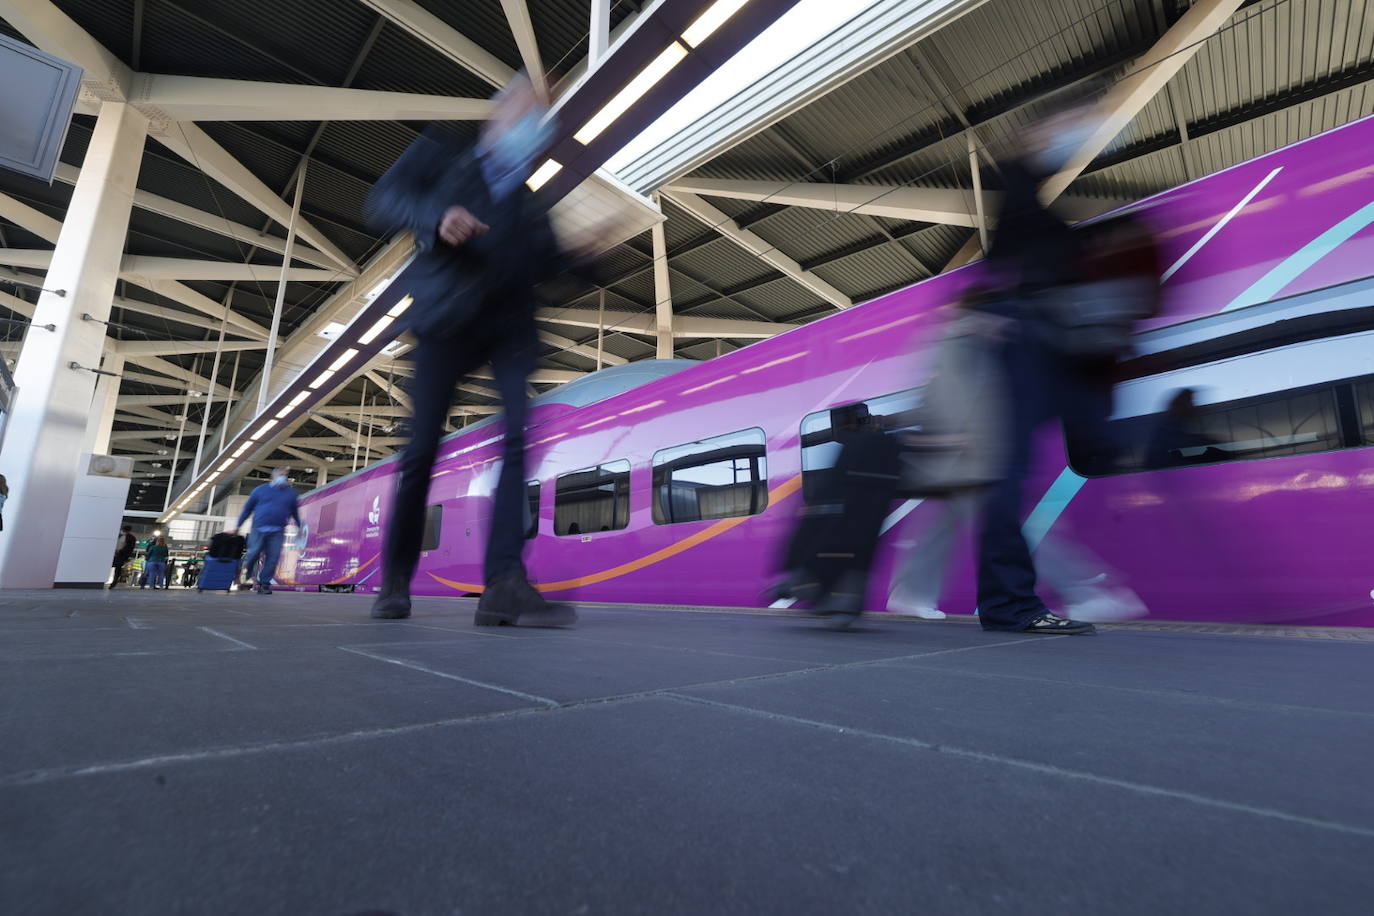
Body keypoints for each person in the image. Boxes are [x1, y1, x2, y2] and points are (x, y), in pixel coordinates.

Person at [364, 73, 609, 627]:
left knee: (518, 437)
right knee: (422, 450)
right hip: (445, 322)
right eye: (524, 114)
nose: (533, 128)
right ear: (496, 117)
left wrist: (591, 255)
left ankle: (503, 583)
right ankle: (396, 580)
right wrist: (438, 218)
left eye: (539, 121)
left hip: (509, 331)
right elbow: (384, 198)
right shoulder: (442, 153)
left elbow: (555, 270)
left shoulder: (530, 206)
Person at [971, 91, 1161, 636]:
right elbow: (1015, 192)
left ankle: (1015, 602)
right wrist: (1037, 142)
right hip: (1030, 339)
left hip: (1047, 344)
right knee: (1007, 477)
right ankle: (1010, 606)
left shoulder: (1042, 225)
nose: (1082, 131)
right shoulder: (1023, 203)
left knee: (1037, 462)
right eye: (1069, 125)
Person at [235, 468, 301, 595]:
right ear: (274, 476)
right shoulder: (260, 490)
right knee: (253, 553)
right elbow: (247, 509)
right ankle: (247, 571)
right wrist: (238, 526)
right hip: (258, 529)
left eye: (286, 475)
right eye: (281, 475)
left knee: (273, 558)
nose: (284, 477)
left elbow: (295, 512)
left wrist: (299, 526)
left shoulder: (291, 494)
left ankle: (264, 584)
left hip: (278, 531)